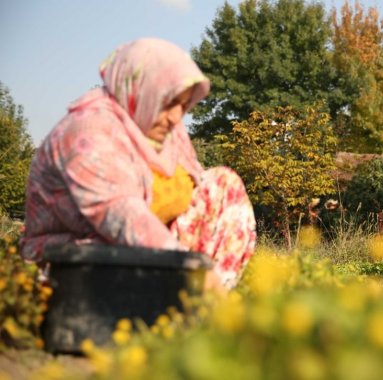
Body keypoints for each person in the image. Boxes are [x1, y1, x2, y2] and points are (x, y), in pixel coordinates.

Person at [21, 38, 256, 290]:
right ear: (140, 92)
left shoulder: (155, 127)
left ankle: (196, 306)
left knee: (222, 185)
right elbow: (121, 215)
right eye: (168, 103)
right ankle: (186, 299)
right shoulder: (87, 133)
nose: (176, 117)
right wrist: (190, 267)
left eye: (183, 104)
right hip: (73, 259)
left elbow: (190, 184)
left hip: (136, 248)